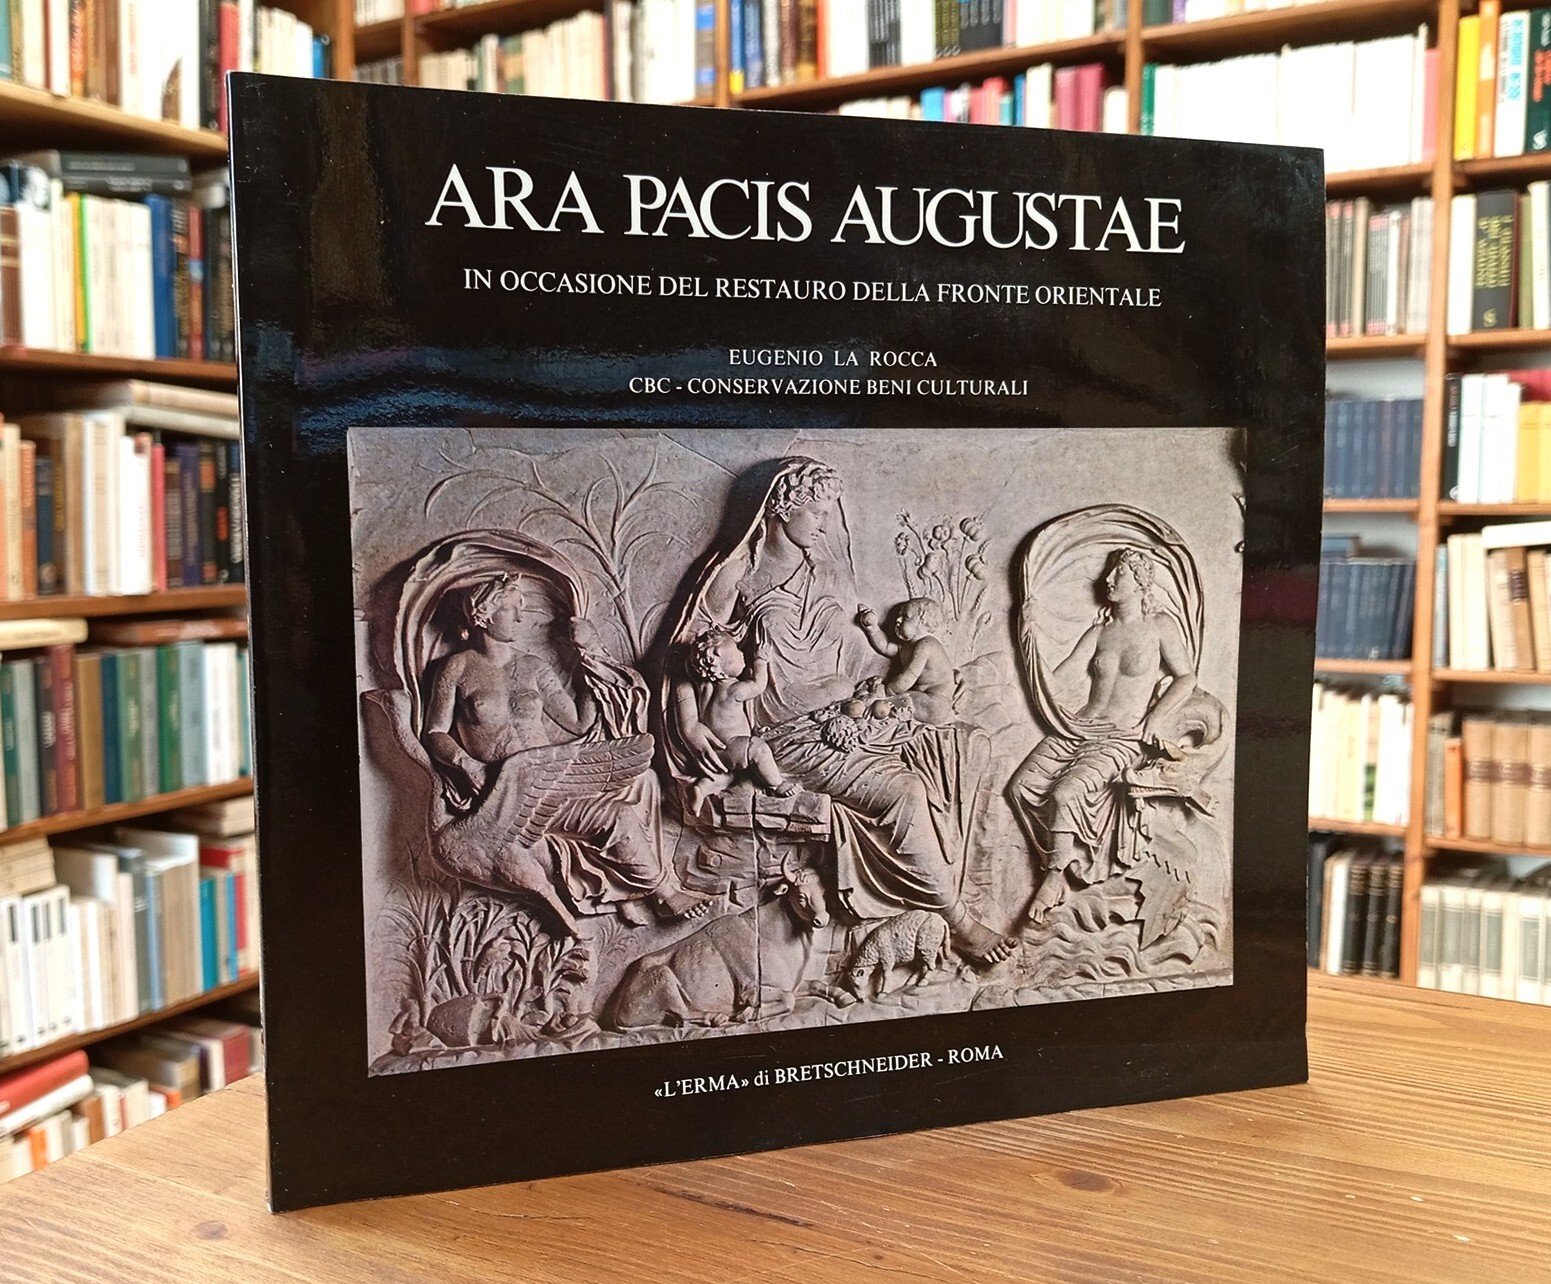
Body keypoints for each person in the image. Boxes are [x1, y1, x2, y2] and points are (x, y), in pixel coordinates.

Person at [666, 457, 1014, 967]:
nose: (826, 524)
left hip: (848, 716)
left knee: (958, 750)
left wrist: (921, 677)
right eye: (817, 512)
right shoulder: (737, 576)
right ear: (782, 508)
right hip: (787, 738)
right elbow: (684, 653)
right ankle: (958, 921)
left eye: (830, 513)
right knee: (905, 792)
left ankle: (940, 900)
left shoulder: (828, 572)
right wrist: (689, 722)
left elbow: (859, 654)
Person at [422, 571, 708, 937]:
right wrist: (466, 764)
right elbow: (435, 732)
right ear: (484, 614)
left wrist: (590, 660)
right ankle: (663, 892)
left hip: (549, 780)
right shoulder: (458, 667)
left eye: (521, 609)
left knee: (641, 783)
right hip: (499, 793)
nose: (520, 618)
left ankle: (640, 888)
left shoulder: (533, 667)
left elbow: (576, 722)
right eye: (511, 609)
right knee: (616, 816)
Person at [1008, 546, 1198, 926]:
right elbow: (1057, 681)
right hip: (1079, 727)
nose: (1107, 580)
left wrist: (1155, 719)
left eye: (1117, 574)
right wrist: (1028, 635)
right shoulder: (1099, 632)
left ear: (1140, 582)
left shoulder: (1159, 626)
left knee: (1065, 793)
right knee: (1020, 787)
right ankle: (1059, 855)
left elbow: (1186, 677)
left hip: (1123, 736)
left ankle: (1054, 876)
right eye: (1108, 573)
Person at [673, 625, 797, 813]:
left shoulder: (703, 686)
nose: (741, 654)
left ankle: (701, 789)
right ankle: (776, 784)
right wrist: (760, 661)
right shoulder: (734, 690)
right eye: (737, 653)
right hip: (733, 745)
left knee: (726, 776)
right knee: (759, 750)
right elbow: (758, 684)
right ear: (722, 669)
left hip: (714, 749)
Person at [855, 597, 955, 726]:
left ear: (922, 621)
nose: (898, 620)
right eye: (899, 616)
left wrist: (887, 691)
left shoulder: (926, 645)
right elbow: (886, 646)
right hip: (920, 695)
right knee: (897, 701)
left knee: (900, 701)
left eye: (905, 617)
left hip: (936, 702)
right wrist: (872, 628)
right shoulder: (907, 645)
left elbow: (908, 677)